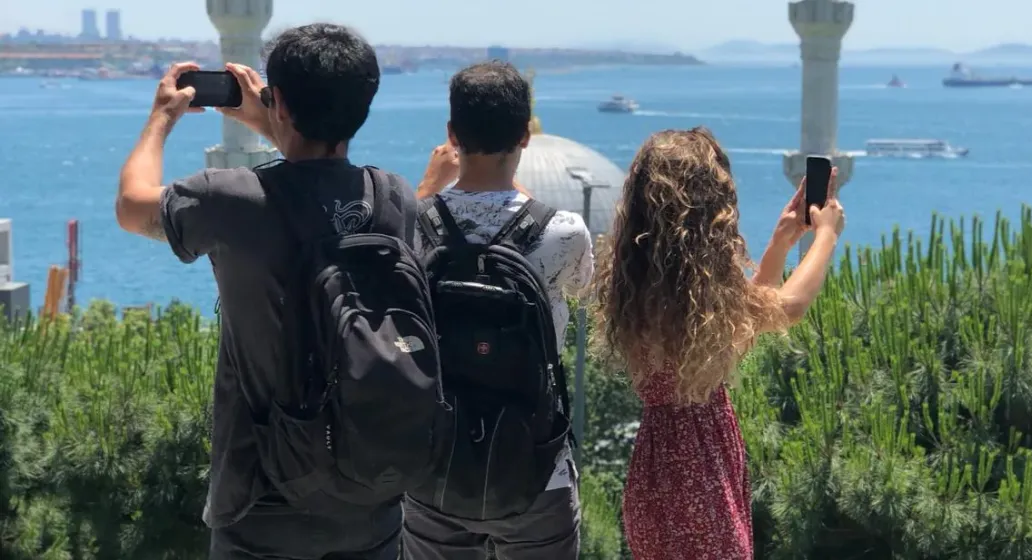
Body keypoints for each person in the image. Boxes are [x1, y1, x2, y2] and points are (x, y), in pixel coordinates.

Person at [114, 24, 414, 559]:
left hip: (261, 497)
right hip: (371, 490)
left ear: (280, 102)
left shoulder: (231, 199)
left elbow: (132, 206)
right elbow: (318, 180)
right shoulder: (394, 199)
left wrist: (162, 117)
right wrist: (277, 121)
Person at [592, 127, 846, 559]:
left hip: (656, 468)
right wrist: (826, 236)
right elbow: (789, 307)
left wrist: (781, 242)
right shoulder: (691, 294)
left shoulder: (644, 285)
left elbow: (737, 329)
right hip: (699, 472)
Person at [402, 61, 592, 560]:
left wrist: (428, 190)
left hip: (434, 462)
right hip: (535, 468)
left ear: (452, 135)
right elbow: (580, 288)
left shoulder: (411, 225)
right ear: (525, 135)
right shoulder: (565, 232)